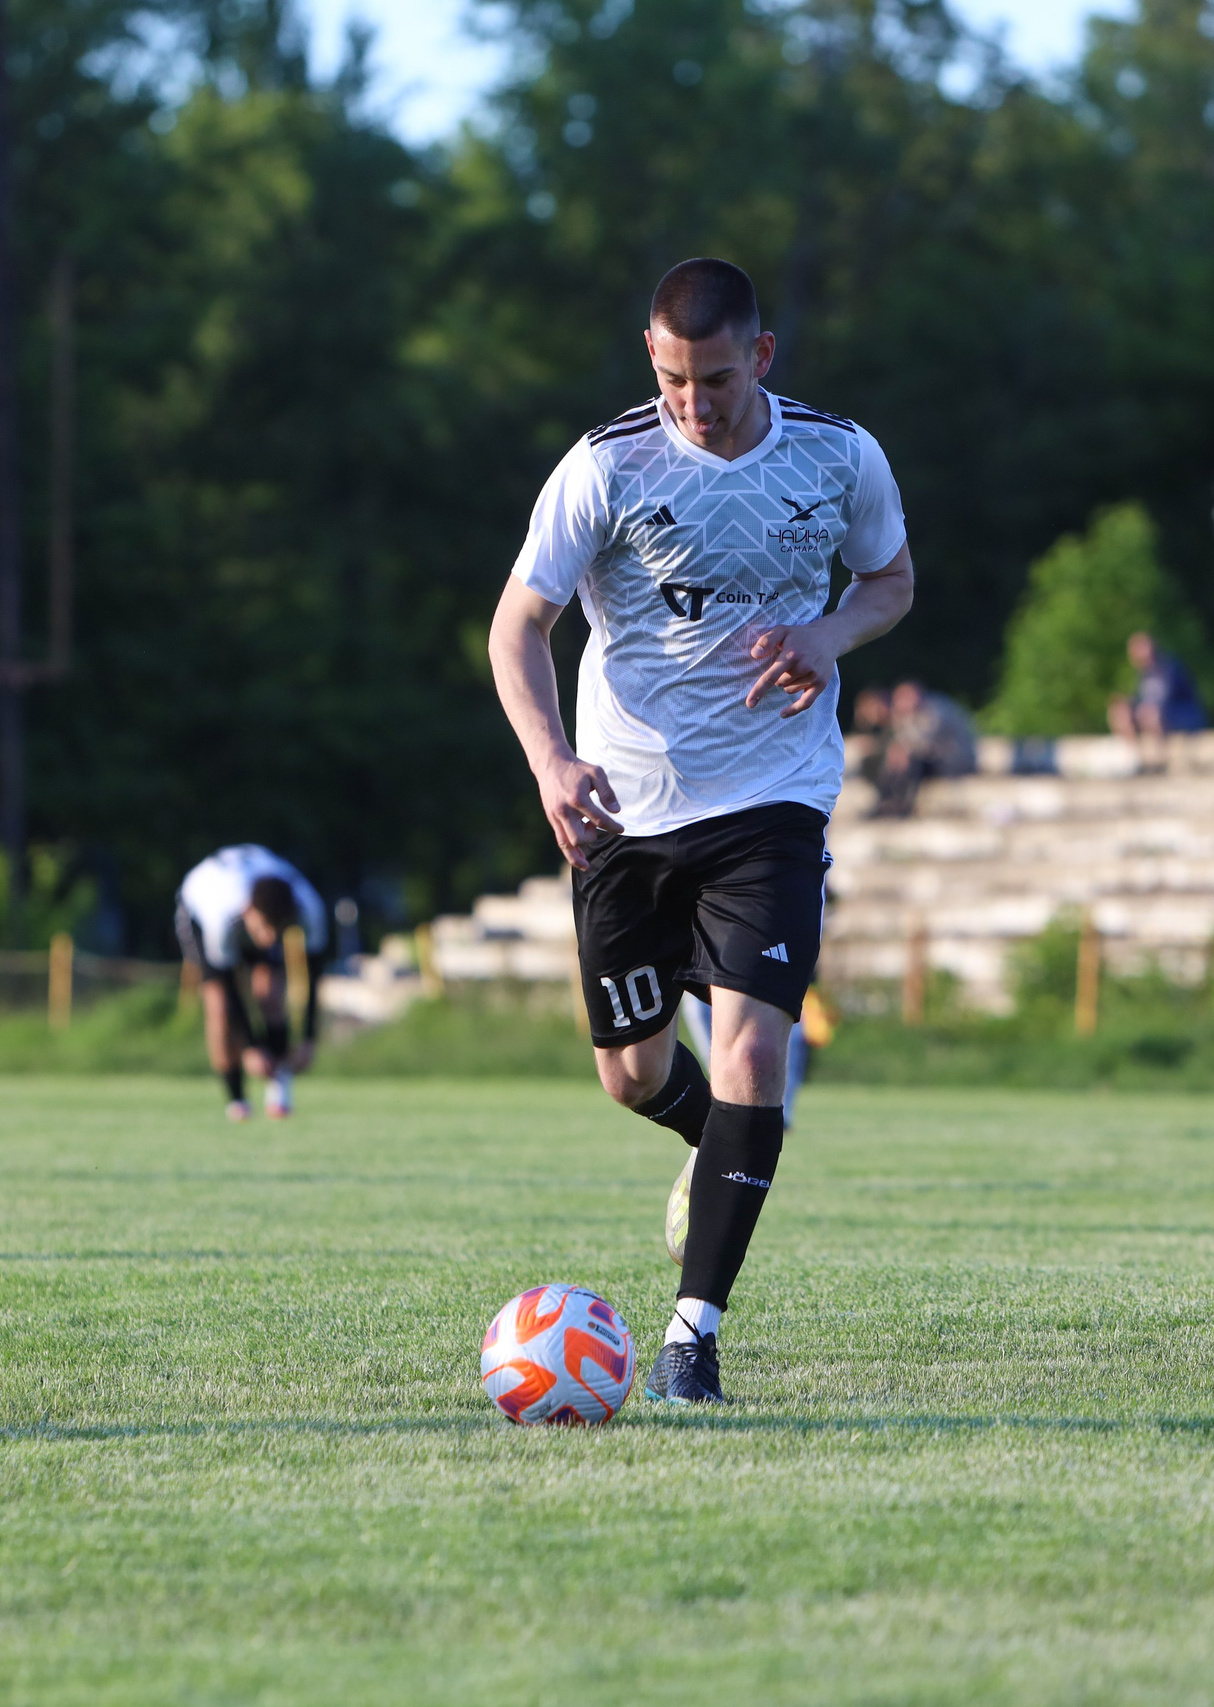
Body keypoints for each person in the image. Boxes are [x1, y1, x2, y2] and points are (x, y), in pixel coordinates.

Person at [485, 256, 914, 1403]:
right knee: (631, 1077)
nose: (693, 402)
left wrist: (825, 639)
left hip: (771, 800)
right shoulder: (604, 465)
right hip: (624, 809)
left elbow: (890, 582)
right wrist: (548, 760)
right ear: (650, 357)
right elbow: (516, 628)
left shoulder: (838, 453)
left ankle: (693, 1339)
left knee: (752, 1053)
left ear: (760, 358)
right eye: (673, 378)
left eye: (714, 379)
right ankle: (716, 1149)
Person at [174, 844, 329, 1120]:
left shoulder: (310, 907)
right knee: (218, 1005)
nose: (269, 939)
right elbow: (229, 984)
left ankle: (279, 1088)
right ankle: (237, 1100)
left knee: (270, 992)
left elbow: (314, 974)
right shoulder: (220, 915)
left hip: (254, 886)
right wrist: (250, 1046)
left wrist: (308, 1037)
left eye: (277, 930)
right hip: (198, 908)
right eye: (263, 929)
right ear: (248, 911)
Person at [1106, 632, 1209, 770]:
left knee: (1150, 713)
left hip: (1183, 712)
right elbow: (1144, 698)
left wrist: (1144, 708)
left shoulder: (1169, 668)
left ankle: (1161, 760)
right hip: (1155, 712)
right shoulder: (1143, 674)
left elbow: (1167, 699)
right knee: (1120, 712)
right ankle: (1136, 760)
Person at [874, 679, 977, 815]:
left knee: (911, 760)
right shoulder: (907, 715)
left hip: (954, 761)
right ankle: (886, 801)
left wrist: (904, 748)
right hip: (935, 759)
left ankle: (903, 805)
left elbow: (929, 744)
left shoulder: (935, 709)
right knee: (891, 758)